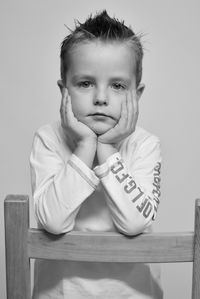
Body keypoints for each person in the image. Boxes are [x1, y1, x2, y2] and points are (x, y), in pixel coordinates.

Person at [30, 10, 162, 299]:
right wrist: (86, 147)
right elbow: (52, 221)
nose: (101, 97)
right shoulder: (49, 139)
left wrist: (107, 150)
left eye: (117, 85)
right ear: (63, 90)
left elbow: (135, 222)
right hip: (59, 293)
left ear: (136, 95)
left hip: (133, 294)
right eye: (85, 83)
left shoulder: (145, 145)